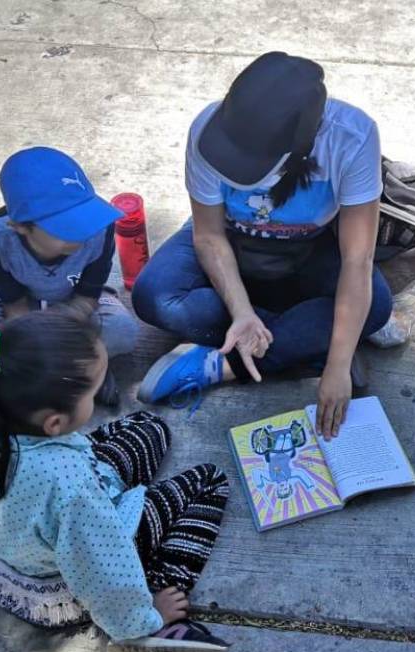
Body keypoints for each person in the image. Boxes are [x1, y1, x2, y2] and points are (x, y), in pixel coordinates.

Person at [0, 311, 231, 652]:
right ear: (55, 423)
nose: (100, 396)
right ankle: (157, 610)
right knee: (211, 479)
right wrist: (143, 616)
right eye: (93, 390)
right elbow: (102, 567)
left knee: (148, 425)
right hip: (66, 586)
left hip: (27, 537)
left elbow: (67, 471)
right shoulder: (71, 488)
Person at [131, 52, 392, 439]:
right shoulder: (207, 128)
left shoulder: (352, 137)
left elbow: (357, 258)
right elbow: (208, 234)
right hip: (230, 240)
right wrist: (240, 311)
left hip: (311, 248)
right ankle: (301, 342)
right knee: (154, 296)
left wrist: (337, 367)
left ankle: (221, 363)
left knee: (378, 307)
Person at [0, 146, 137, 405]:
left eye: (85, 218)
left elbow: (87, 296)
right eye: (65, 227)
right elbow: (14, 306)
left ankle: (68, 369)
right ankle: (80, 367)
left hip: (77, 308)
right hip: (22, 312)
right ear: (21, 227)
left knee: (122, 330)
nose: (82, 233)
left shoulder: (100, 230)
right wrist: (34, 339)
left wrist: (59, 326)